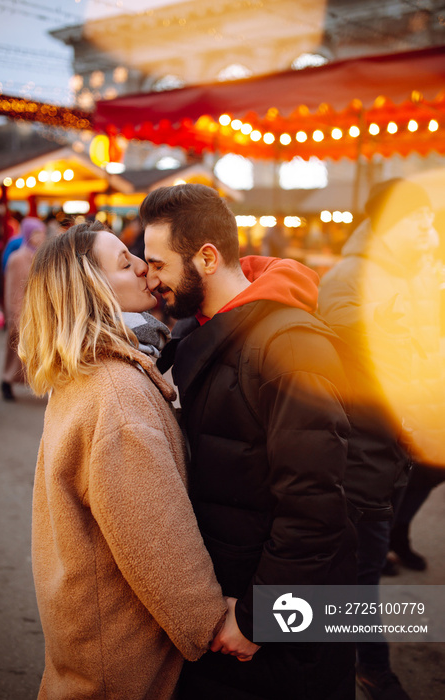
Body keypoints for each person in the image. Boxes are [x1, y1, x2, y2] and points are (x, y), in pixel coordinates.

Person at [141, 184, 357, 700]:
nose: (150, 281)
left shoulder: (288, 346)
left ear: (207, 258)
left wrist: (263, 618)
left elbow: (314, 507)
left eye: (157, 265)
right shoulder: (206, 332)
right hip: (230, 598)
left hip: (273, 627)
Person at [17, 221, 232, 700]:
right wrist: (213, 623)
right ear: (92, 290)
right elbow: (156, 539)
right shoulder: (119, 394)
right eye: (123, 262)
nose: (142, 266)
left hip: (91, 643)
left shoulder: (90, 371)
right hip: (122, 661)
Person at [318, 178, 443, 700]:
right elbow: (366, 367)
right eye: (419, 220)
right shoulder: (351, 278)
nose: (429, 230)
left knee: (360, 568)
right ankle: (367, 667)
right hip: (361, 450)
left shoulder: (409, 275)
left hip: (394, 448)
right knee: (359, 575)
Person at [1, 216, 47, 401]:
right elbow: (13, 291)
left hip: (36, 313)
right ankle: (5, 382)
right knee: (15, 354)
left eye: (42, 233)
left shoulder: (38, 255)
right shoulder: (18, 258)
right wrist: (16, 317)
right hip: (22, 314)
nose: (40, 237)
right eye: (36, 233)